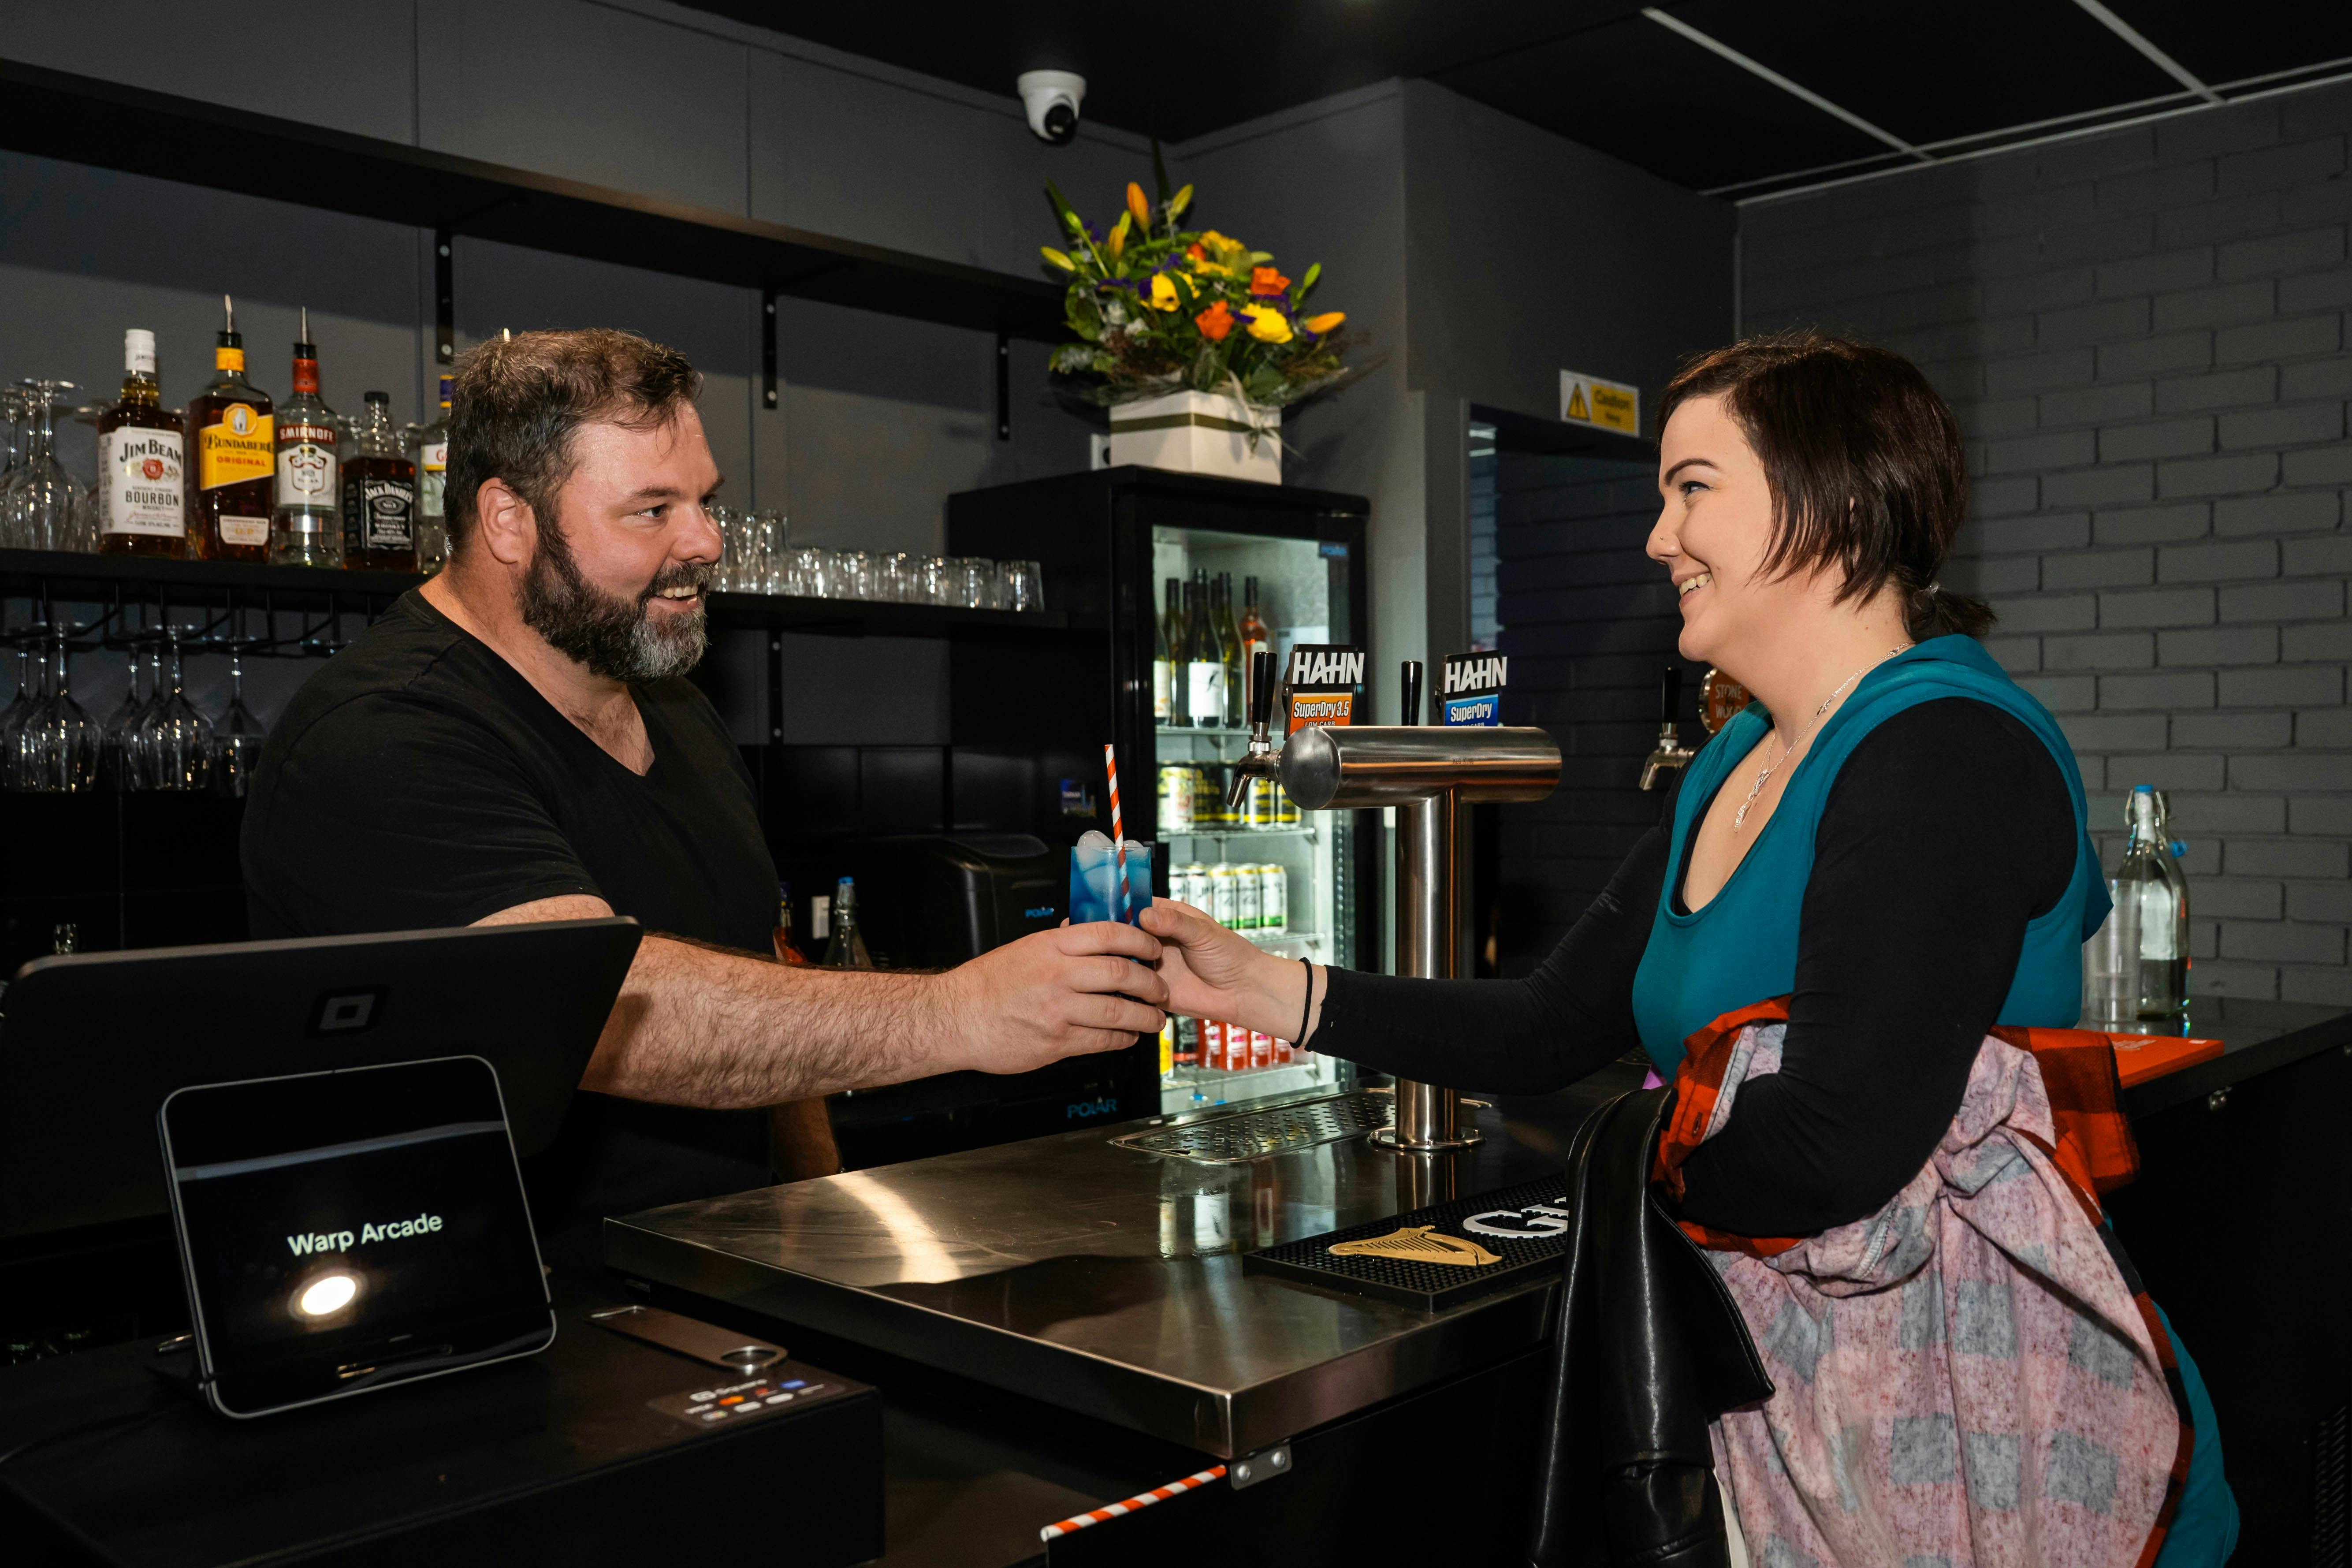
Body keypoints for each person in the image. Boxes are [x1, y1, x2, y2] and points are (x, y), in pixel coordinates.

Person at [1144, 331, 2237, 1564]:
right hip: (1801, 1431)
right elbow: (1557, 1020)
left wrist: (1616, 1178)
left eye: (1693, 488)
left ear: (1830, 502)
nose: (1658, 537)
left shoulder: (1947, 753)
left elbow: (1838, 1141)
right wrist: (1272, 987)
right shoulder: (1733, 760)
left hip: (1984, 1453)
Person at [242, 328, 1165, 1254]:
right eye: (651, 511)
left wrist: (816, 1199)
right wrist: (961, 1011)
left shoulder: (673, 708)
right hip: (492, 1318)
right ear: (507, 520)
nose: (705, 541)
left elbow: (754, 959)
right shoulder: (386, 733)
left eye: (705, 501)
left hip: (713, 1285)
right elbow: (593, 1015)